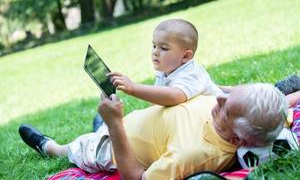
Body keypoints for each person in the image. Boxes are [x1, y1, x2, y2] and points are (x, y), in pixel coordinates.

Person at [19, 83, 288, 179]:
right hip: (134, 122)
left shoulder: (195, 154)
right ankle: (103, 122)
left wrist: (114, 126)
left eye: (228, 107)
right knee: (104, 119)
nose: (219, 99)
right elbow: (281, 108)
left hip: (108, 147)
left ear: (238, 139)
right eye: (229, 94)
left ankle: (49, 146)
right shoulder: (260, 116)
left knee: (74, 148)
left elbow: (136, 177)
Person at [108, 19, 223, 106]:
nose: (155, 52)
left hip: (222, 117)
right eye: (154, 46)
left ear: (186, 56)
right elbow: (160, 101)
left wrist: (134, 88)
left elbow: (174, 96)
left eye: (164, 48)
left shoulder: (192, 73)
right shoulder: (166, 71)